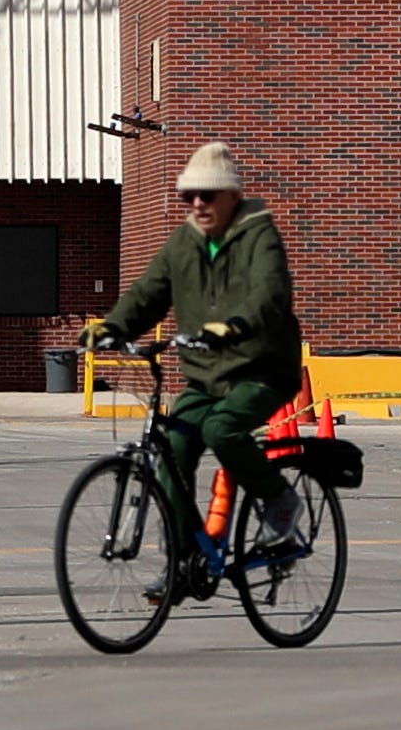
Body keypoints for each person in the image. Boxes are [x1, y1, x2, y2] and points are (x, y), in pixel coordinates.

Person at [87, 140, 306, 600]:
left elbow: (269, 293)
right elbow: (149, 291)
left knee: (222, 431)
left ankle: (279, 499)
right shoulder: (184, 242)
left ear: (231, 196)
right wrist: (112, 327)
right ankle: (182, 563)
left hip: (260, 368)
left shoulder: (258, 234)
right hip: (204, 375)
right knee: (172, 451)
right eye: (189, 196)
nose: (198, 204)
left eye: (207, 195)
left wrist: (235, 325)